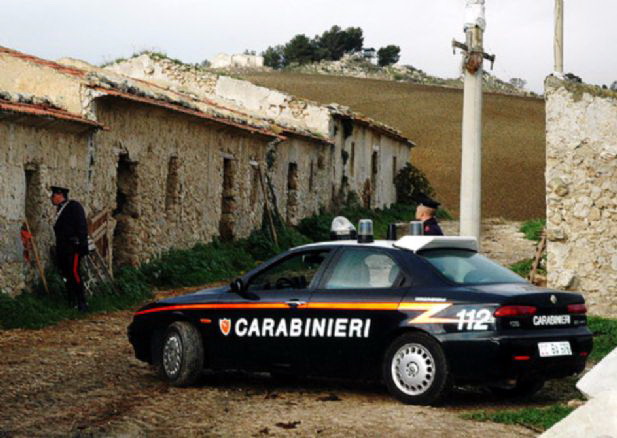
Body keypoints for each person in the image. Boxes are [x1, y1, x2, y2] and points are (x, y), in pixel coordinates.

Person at [50, 186, 89, 311]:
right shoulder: (60, 210)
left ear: (60, 195)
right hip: (63, 248)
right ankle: (71, 301)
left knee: (74, 273)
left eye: (54, 195)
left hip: (73, 247)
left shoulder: (74, 207)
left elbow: (82, 226)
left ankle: (81, 302)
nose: (52, 198)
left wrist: (81, 245)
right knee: (66, 274)